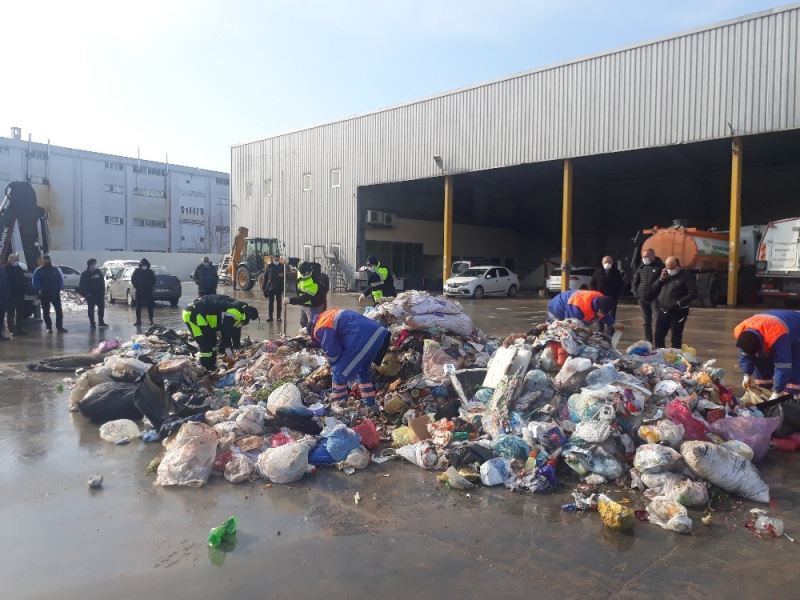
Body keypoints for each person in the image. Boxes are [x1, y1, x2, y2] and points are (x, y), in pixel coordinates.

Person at [309, 308, 390, 414]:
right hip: (378, 334)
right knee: (362, 371)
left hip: (362, 338)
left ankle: (341, 411)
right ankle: (371, 406)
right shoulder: (328, 315)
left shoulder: (320, 327)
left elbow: (333, 352)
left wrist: (332, 365)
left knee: (338, 373)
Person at [734, 310, 800, 399]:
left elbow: (783, 366)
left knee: (794, 365)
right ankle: (765, 392)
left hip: (796, 328)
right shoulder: (742, 332)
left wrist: (777, 392)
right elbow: (745, 354)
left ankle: (793, 397)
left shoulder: (777, 336)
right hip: (772, 324)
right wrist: (747, 374)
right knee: (762, 360)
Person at [182, 294, 259, 370]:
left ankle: (211, 365)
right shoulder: (236, 311)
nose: (248, 322)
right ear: (248, 315)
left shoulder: (239, 307)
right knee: (206, 343)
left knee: (213, 342)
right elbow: (226, 330)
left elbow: (235, 330)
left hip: (201, 313)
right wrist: (228, 349)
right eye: (249, 319)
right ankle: (206, 368)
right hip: (194, 313)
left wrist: (236, 347)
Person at [650, 256, 697, 349]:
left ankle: (675, 356)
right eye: (668, 268)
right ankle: (660, 354)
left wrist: (679, 303)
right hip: (663, 310)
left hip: (678, 312)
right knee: (658, 336)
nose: (670, 270)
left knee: (676, 337)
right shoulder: (664, 274)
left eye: (672, 268)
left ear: (678, 266)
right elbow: (654, 288)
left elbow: (693, 293)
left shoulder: (686, 276)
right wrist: (661, 279)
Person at [631, 247, 665, 343]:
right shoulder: (641, 267)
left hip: (655, 299)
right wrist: (636, 294)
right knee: (646, 322)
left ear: (653, 256)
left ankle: (659, 343)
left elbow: (663, 282)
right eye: (643, 257)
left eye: (646, 256)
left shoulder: (660, 267)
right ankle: (648, 341)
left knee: (658, 321)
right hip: (642, 299)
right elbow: (635, 282)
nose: (644, 258)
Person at [546, 289, 620, 330]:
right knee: (557, 332)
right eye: (603, 313)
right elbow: (568, 325)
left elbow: (604, 315)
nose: (603, 315)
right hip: (556, 308)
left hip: (572, 305)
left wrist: (613, 323)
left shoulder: (601, 300)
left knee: (582, 328)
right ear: (599, 310)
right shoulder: (577, 308)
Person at [32, 254, 67, 334]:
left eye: (48, 259)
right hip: (44, 294)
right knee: (46, 311)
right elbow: (35, 281)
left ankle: (59, 327)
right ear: (42, 260)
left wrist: (60, 287)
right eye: (45, 259)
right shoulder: (39, 270)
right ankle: (49, 327)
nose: (47, 261)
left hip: (55, 293)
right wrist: (40, 289)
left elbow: (60, 279)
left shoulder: (55, 269)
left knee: (59, 311)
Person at [590, 256, 625, 334]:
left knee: (611, 316)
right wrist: (594, 295)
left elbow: (621, 285)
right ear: (602, 263)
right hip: (600, 299)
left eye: (609, 262)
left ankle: (610, 333)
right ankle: (600, 332)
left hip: (612, 298)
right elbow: (592, 284)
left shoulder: (616, 273)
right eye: (606, 262)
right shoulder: (597, 272)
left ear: (612, 263)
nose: (607, 264)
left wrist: (617, 295)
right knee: (600, 316)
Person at [288, 261, 326, 327]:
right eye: (302, 274)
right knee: (303, 322)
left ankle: (312, 336)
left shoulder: (314, 282)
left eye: (305, 274)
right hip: (304, 304)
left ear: (309, 272)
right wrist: (289, 261)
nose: (303, 276)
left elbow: (305, 298)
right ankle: (305, 334)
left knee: (312, 325)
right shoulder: (302, 268)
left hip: (314, 305)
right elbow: (297, 261)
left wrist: (290, 300)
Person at [79, 258, 108, 329]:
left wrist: (103, 291)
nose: (95, 266)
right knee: (91, 310)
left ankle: (101, 322)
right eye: (94, 264)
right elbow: (82, 285)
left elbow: (102, 282)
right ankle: (92, 323)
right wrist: (86, 294)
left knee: (101, 308)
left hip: (99, 294)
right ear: (90, 265)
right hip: (90, 295)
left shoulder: (98, 272)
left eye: (95, 264)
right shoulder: (85, 274)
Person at [4, 254, 26, 336]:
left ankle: (19, 329)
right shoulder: (6, 268)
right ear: (10, 259)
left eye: (17, 259)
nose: (16, 261)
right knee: (11, 313)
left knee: (20, 313)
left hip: (20, 294)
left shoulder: (19, 268)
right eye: (15, 259)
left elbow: (22, 280)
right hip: (11, 295)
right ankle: (12, 331)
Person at [131, 258, 155, 327]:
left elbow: (153, 280)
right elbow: (133, 279)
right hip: (139, 292)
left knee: (150, 306)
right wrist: (136, 286)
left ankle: (151, 320)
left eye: (145, 265)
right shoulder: (137, 271)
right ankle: (138, 321)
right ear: (140, 265)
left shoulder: (150, 272)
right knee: (138, 307)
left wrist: (150, 287)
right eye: (143, 265)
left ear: (147, 265)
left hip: (148, 292)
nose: (144, 266)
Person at [262, 255, 285, 322]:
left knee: (279, 303)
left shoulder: (282, 266)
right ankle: (270, 317)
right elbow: (266, 278)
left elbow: (286, 277)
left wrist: (282, 276)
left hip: (279, 288)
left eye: (278, 257)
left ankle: (278, 317)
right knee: (270, 303)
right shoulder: (269, 266)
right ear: (273, 258)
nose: (276, 258)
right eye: (275, 257)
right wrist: (264, 289)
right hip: (270, 288)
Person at [0, 265, 9, 341]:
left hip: (2, 299)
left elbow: (6, 284)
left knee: (1, 318)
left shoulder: (2, 270)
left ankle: (1, 335)